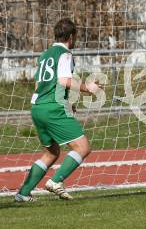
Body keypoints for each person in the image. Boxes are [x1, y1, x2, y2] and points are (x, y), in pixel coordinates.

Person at [14, 18, 101, 202]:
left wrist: (66, 102)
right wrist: (88, 87)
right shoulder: (65, 54)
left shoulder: (45, 55)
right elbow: (63, 81)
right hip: (53, 109)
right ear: (71, 36)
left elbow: (41, 84)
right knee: (83, 147)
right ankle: (56, 181)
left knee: (52, 152)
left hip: (38, 107)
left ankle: (23, 193)